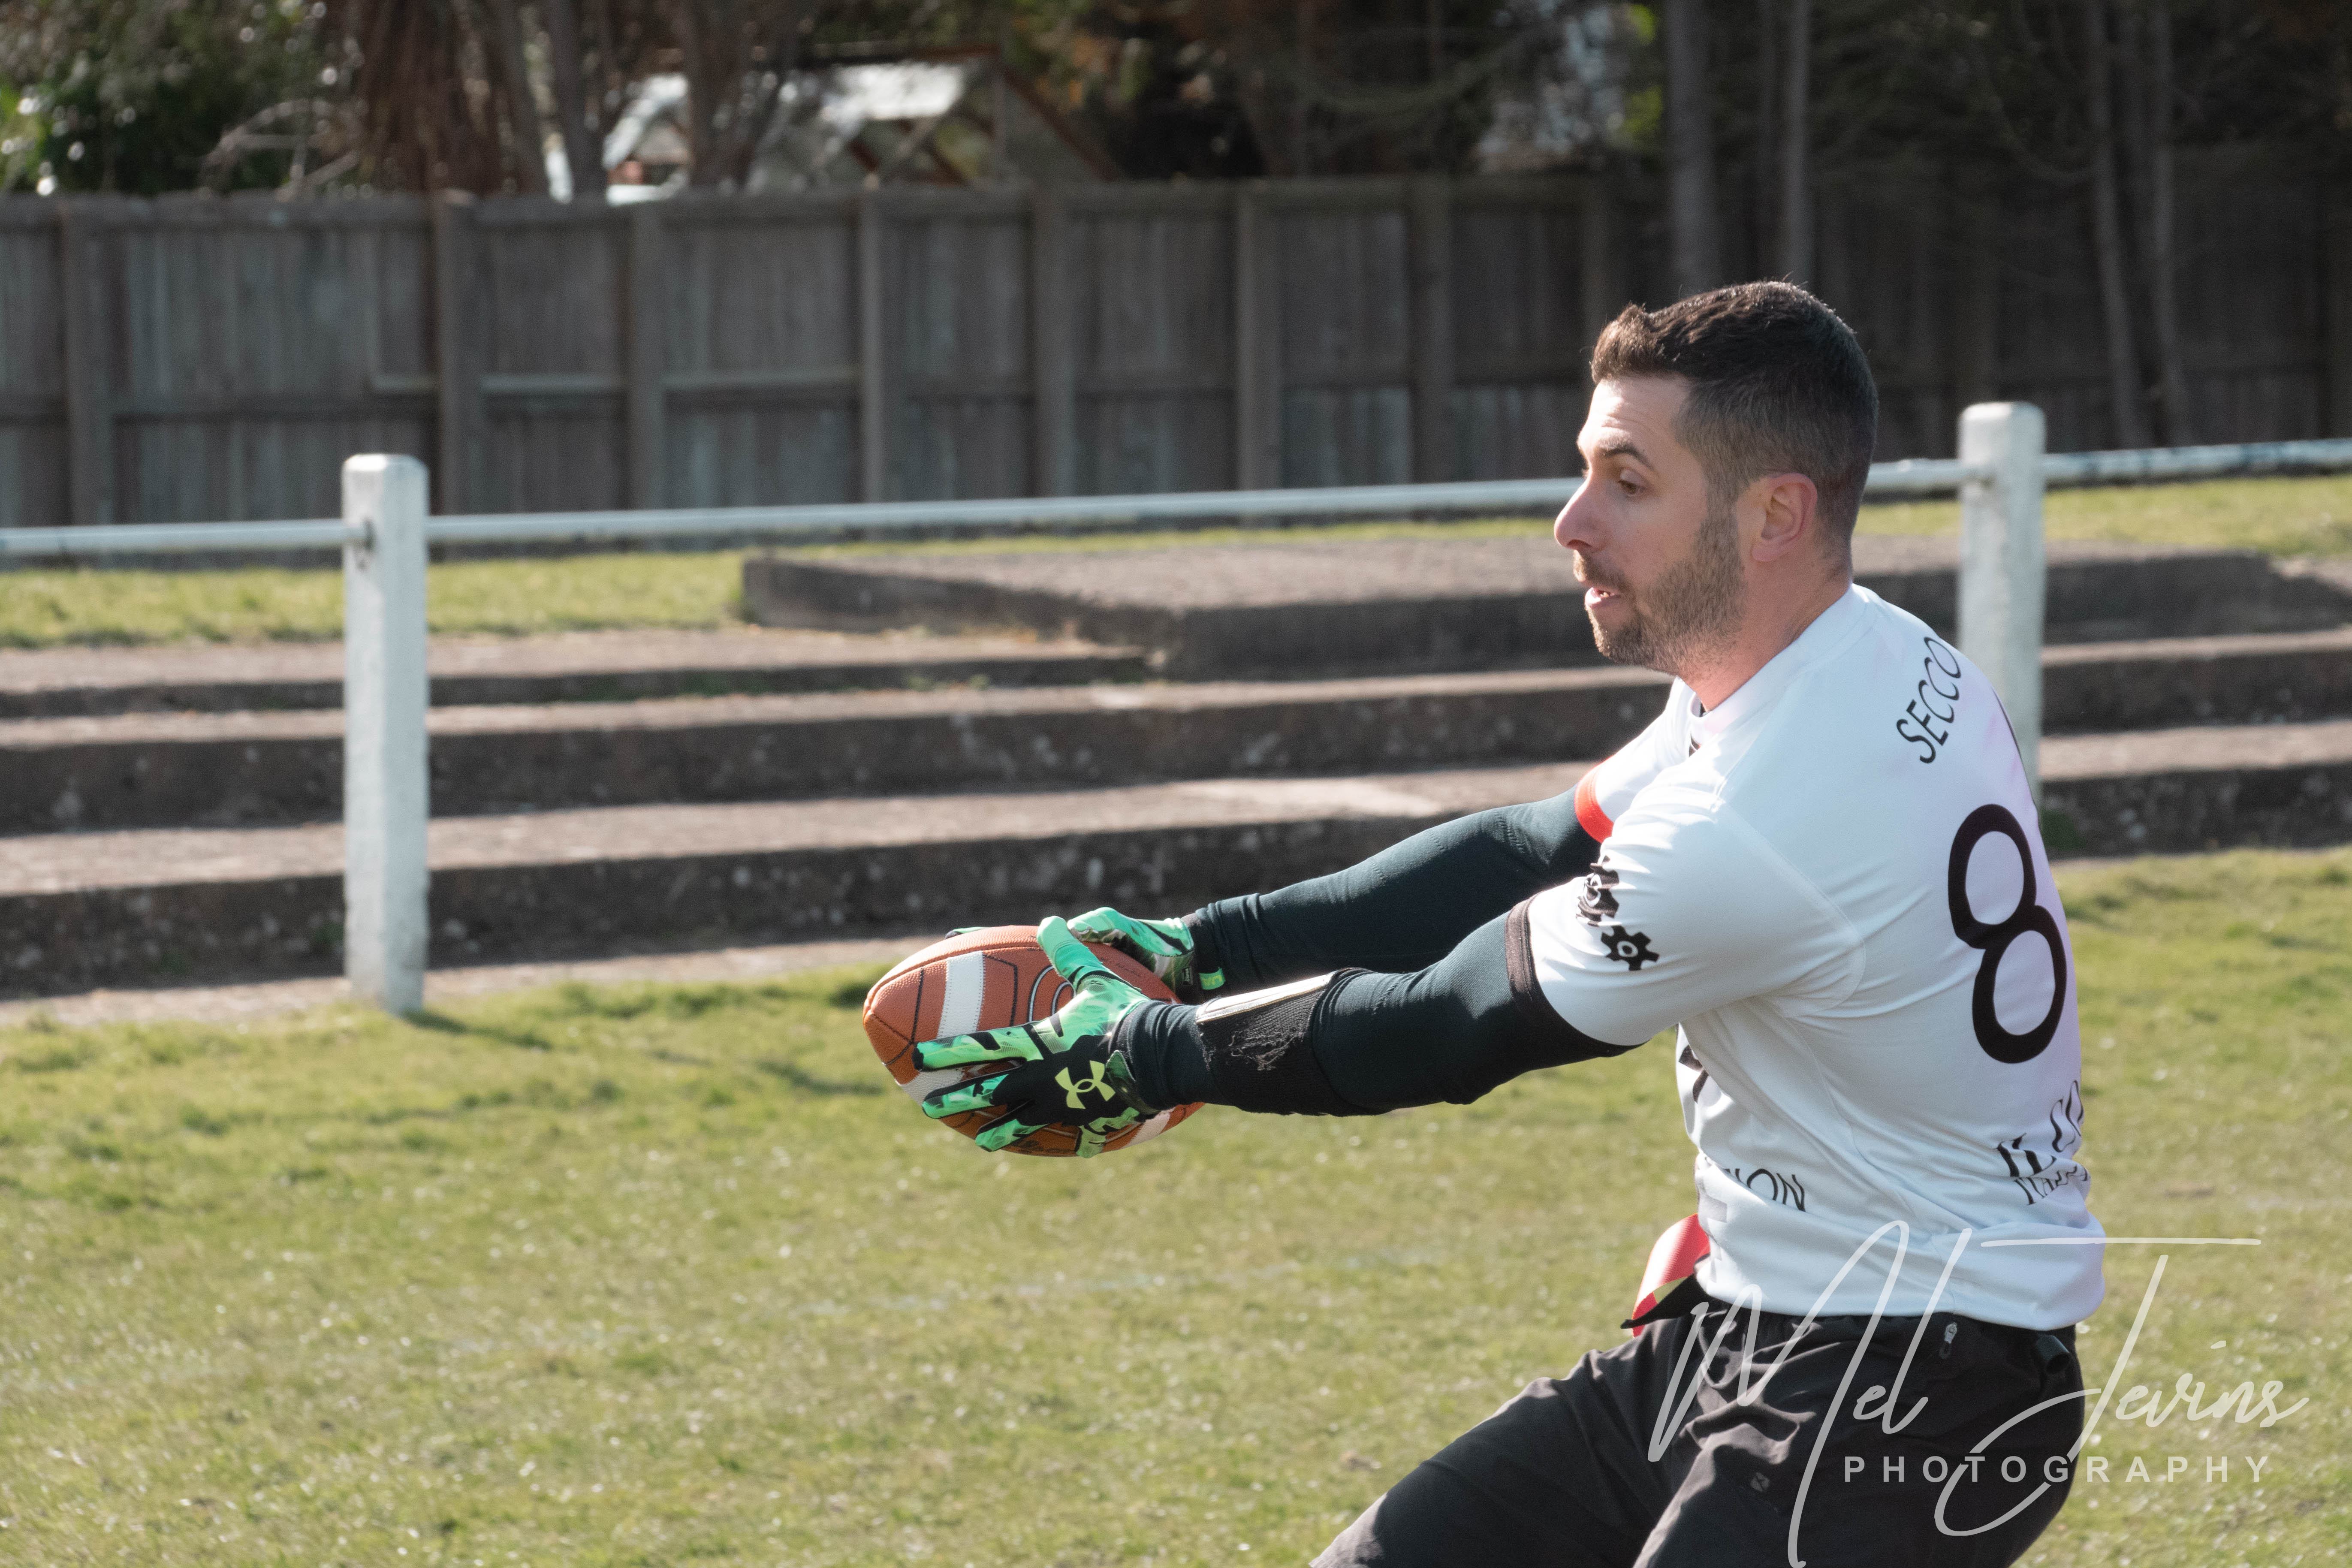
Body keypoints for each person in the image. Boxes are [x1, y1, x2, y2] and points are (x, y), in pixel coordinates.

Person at [910, 282, 2102, 1566]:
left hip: (1918, 1390)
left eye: (1627, 483)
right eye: (1586, 472)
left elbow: (1449, 1025)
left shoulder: (1761, 818)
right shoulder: (1858, 656)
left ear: (1775, 514)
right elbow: (1529, 849)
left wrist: (1142, 1055)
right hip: (1767, 1321)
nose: (1570, 522)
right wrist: (1202, 948)